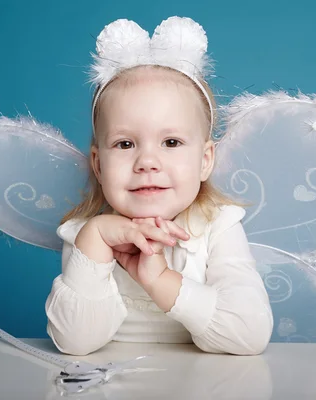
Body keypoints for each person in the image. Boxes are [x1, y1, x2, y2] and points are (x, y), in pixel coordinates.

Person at [44, 16, 273, 356]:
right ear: (98, 164)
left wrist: (160, 279)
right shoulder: (85, 235)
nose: (147, 162)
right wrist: (96, 240)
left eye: (171, 142)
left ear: (205, 160)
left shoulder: (218, 228)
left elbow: (249, 335)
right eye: (125, 144)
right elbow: (75, 343)